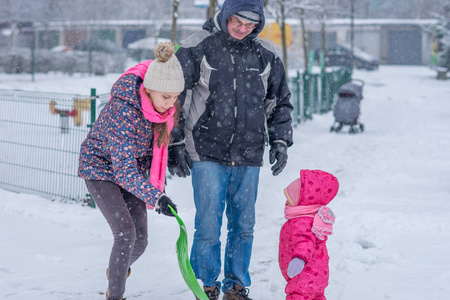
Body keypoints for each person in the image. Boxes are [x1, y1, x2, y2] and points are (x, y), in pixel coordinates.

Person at [168, 0, 294, 299]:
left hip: (249, 152)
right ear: (226, 14)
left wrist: (279, 140)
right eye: (238, 21)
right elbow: (174, 95)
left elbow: (279, 101)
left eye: (251, 25)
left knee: (244, 225)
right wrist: (173, 141)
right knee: (209, 224)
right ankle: (207, 285)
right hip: (205, 147)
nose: (243, 29)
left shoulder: (266, 53)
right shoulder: (197, 45)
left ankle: (235, 286)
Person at [78, 42, 184, 300]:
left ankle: (116, 270)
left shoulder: (163, 110)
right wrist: (156, 197)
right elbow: (123, 171)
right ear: (147, 90)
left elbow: (150, 153)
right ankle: (116, 295)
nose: (170, 104)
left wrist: (171, 158)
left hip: (132, 170)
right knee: (125, 234)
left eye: (175, 98)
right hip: (100, 168)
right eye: (165, 97)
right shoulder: (123, 110)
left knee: (141, 240)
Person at [278, 169, 339, 300]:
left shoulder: (301, 221)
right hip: (317, 276)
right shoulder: (313, 218)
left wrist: (299, 259)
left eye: (289, 200)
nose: (286, 203)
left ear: (302, 202)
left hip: (303, 277)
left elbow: (305, 242)